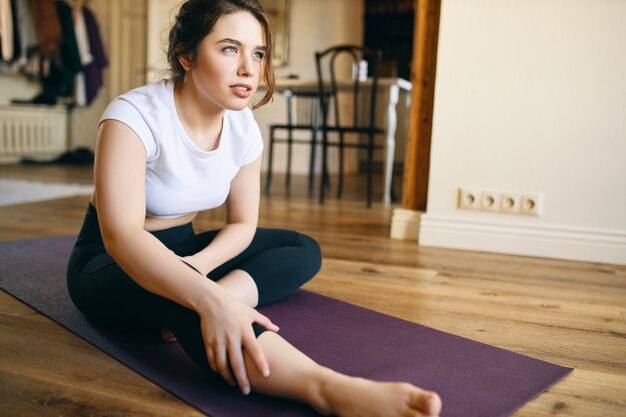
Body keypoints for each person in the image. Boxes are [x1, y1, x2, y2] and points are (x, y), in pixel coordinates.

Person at [66, 1, 442, 416]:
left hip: (186, 251)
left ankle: (212, 303)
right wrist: (203, 296)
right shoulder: (133, 116)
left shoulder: (243, 127)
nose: (249, 68)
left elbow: (244, 224)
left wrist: (204, 277)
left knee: (301, 248)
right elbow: (123, 237)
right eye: (230, 49)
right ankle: (329, 390)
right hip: (108, 262)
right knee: (186, 299)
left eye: (258, 53)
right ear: (186, 56)